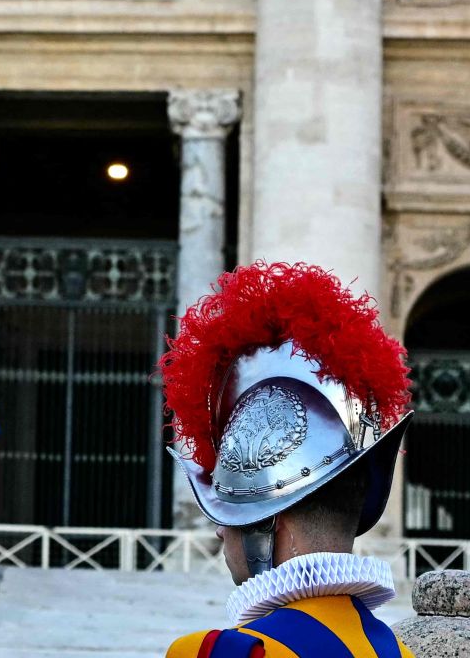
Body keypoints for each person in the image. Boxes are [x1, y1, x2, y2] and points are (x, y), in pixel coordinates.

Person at [159, 262, 415, 658]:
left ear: (268, 526)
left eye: (231, 517)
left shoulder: (225, 651)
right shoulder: (401, 652)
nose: (219, 534)